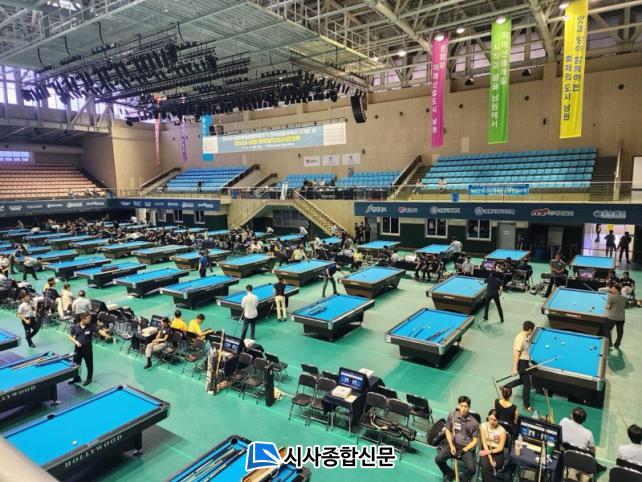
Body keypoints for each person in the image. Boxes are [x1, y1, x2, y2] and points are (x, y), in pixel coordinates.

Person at [435, 395, 479, 482]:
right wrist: (451, 446)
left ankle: (462, 479)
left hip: (465, 448)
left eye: (465, 406)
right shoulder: (452, 415)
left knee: (472, 469)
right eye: (461, 406)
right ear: (458, 405)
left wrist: (464, 450)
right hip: (453, 444)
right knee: (438, 459)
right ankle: (449, 473)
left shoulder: (474, 423)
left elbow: (475, 441)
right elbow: (447, 430)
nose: (463, 409)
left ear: (469, 407)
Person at [68, 313, 110, 386]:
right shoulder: (75, 326)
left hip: (87, 348)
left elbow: (100, 331)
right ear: (82, 319)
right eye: (88, 319)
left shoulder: (91, 326)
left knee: (89, 364)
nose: (90, 320)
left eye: (90, 318)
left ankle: (89, 379)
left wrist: (106, 335)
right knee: (76, 364)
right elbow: (70, 336)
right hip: (78, 348)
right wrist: (76, 342)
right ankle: (76, 378)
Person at [506, 321, 535, 412]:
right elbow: (516, 354)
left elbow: (525, 351)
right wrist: (515, 368)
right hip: (521, 363)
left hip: (525, 362)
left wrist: (532, 361)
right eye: (532, 330)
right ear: (529, 329)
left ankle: (506, 387)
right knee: (527, 384)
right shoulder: (520, 338)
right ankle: (526, 405)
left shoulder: (525, 337)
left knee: (522, 380)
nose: (533, 331)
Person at [479, 409, 507, 482]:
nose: (492, 422)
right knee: (485, 466)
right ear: (488, 417)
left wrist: (490, 452)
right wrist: (490, 457)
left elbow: (500, 448)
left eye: (495, 420)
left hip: (497, 451)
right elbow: (484, 442)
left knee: (493, 466)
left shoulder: (502, 431)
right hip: (486, 448)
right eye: (491, 419)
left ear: (498, 420)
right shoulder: (483, 426)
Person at [606, 283, 627, 349]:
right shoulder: (624, 298)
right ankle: (617, 344)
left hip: (612, 317)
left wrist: (608, 306)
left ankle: (609, 343)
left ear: (617, 290)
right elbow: (626, 306)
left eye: (613, 288)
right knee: (620, 332)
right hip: (621, 318)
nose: (611, 289)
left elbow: (607, 307)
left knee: (607, 329)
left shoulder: (611, 297)